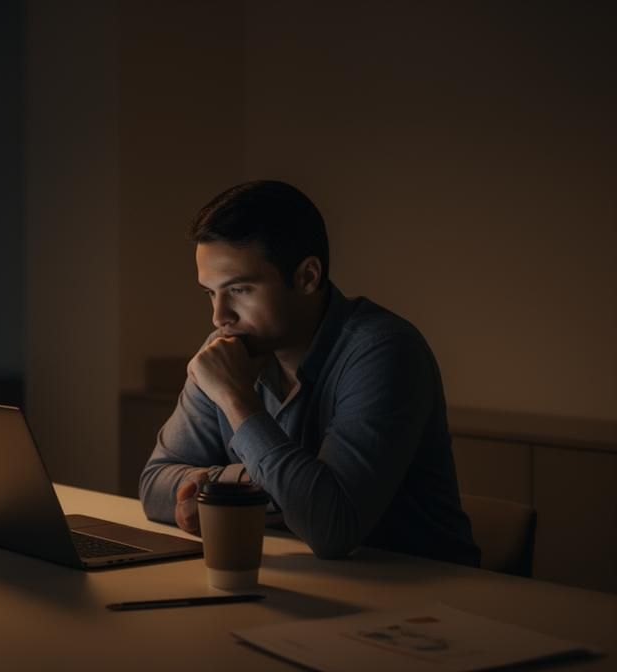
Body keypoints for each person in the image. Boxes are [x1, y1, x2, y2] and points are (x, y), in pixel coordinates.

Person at [139, 180, 480, 566]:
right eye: (210, 293)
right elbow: (154, 485)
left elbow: (331, 529)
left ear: (307, 277)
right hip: (305, 581)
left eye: (240, 290)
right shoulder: (229, 349)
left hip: (425, 595)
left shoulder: (384, 351)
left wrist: (236, 401)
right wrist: (254, 482)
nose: (220, 317)